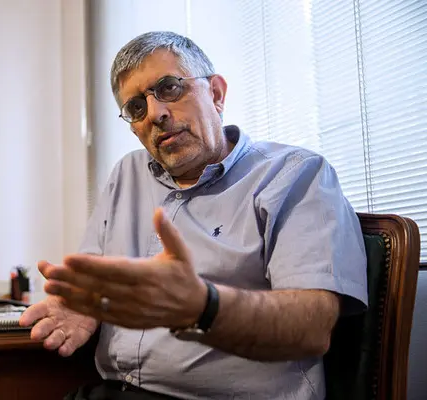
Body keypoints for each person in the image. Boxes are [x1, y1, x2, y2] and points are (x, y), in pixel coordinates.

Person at [19, 31, 368, 400]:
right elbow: (94, 282)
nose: (156, 113)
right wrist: (83, 304)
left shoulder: (294, 174)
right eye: (136, 107)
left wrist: (204, 306)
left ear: (216, 93)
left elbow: (313, 327)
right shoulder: (127, 173)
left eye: (169, 88)